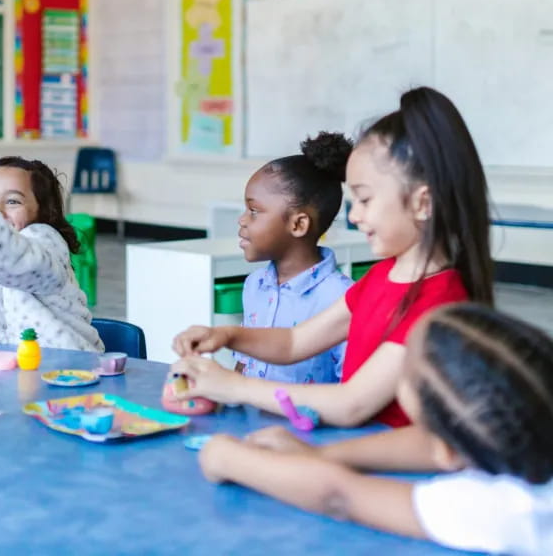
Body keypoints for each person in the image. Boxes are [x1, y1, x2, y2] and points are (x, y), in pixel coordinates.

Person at [172, 87, 492, 427]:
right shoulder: (382, 276)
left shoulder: (438, 303)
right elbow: (295, 342)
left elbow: (350, 404)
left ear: (422, 203)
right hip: (358, 444)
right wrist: (226, 336)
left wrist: (235, 387)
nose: (353, 217)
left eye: (365, 200)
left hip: (385, 456)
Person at [198, 304, 553, 556]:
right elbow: (432, 442)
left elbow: (340, 496)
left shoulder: (504, 510)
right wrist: (322, 454)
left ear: (447, 452)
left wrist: (226, 458)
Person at [0, 126, 102, 352]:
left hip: (68, 372)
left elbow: (10, 260)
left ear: (45, 211)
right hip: (10, 376)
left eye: (13, 201)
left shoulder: (46, 243)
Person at [232, 131, 353, 384]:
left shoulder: (342, 299)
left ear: (298, 224)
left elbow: (351, 388)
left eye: (254, 211)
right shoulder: (254, 285)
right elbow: (244, 364)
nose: (242, 220)